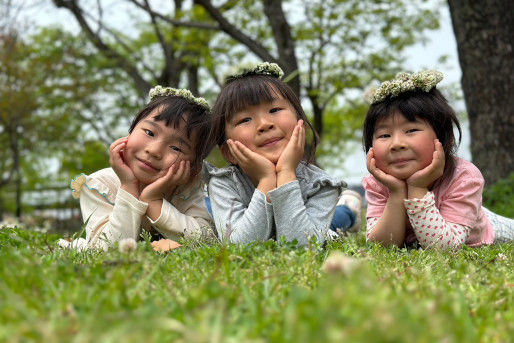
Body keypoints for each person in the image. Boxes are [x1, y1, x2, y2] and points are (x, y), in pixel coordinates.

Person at [204, 62, 358, 245]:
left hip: (312, 222)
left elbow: (302, 247)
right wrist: (266, 180)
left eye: (275, 110)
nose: (264, 124)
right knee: (209, 210)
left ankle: (349, 209)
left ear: (299, 122)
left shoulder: (319, 185)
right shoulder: (224, 184)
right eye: (245, 119)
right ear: (229, 152)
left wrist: (286, 173)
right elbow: (238, 246)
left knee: (337, 221)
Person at [362, 70, 513, 249]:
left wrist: (417, 188)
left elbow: (444, 248)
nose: (396, 144)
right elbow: (380, 247)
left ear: (442, 138)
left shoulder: (463, 177)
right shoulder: (378, 182)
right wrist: (396, 193)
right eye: (384, 135)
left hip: (479, 225)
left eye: (411, 131)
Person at [63, 86, 215, 251]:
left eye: (176, 148)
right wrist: (128, 186)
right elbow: (106, 249)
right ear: (130, 131)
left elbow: (207, 241)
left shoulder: (188, 188)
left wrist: (153, 200)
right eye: (149, 133)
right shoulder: (99, 185)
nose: (154, 150)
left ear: (194, 167)